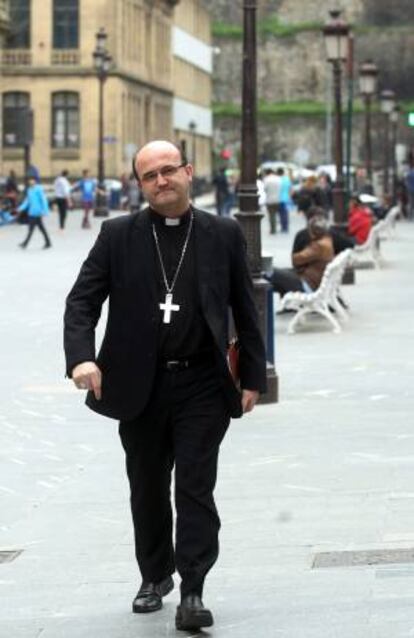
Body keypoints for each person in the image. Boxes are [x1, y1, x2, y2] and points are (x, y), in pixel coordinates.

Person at [64, 140, 267, 631]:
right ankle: (155, 575)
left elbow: (245, 305)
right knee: (147, 486)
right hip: (139, 383)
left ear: (188, 172)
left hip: (202, 380)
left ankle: (193, 588)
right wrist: (81, 359)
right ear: (139, 184)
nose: (161, 181)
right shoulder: (118, 236)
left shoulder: (221, 233)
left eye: (168, 170)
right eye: (149, 175)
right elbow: (81, 302)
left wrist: (254, 375)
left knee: (195, 486)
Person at [267, 215, 334, 297]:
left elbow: (296, 260)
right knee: (274, 274)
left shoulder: (318, 246)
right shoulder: (327, 241)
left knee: (270, 272)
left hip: (307, 284)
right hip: (311, 281)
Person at [17, 177, 52, 249]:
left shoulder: (38, 189)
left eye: (32, 180)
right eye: (30, 180)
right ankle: (48, 242)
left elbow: (44, 200)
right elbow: (27, 201)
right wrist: (20, 208)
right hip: (31, 212)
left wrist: (45, 211)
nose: (31, 182)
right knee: (41, 228)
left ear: (35, 181)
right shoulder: (29, 190)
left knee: (32, 229)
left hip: (38, 212)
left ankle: (25, 243)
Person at [262, 168, 281, 234]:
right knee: (275, 214)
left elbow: (265, 189)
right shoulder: (278, 179)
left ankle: (272, 229)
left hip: (269, 199)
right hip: (277, 199)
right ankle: (274, 228)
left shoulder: (267, 179)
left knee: (271, 215)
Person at [277, 167, 291, 233]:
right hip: (286, 198)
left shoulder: (278, 179)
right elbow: (290, 189)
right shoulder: (287, 179)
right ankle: (286, 226)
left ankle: (283, 227)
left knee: (281, 214)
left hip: (279, 198)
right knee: (285, 213)